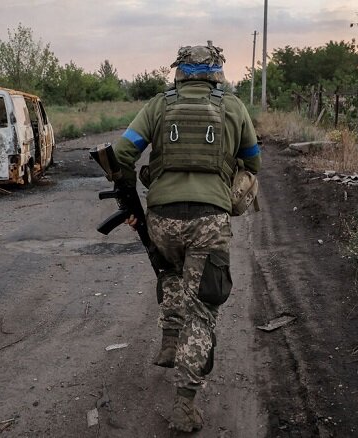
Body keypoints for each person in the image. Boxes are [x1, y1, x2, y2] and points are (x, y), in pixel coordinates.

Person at [111, 41, 261, 432]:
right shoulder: (234, 107)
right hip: (209, 220)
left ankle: (170, 342)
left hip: (162, 219)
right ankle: (184, 404)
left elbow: (121, 153)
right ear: (217, 72)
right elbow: (254, 161)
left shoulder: (158, 106)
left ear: (178, 71)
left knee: (172, 273)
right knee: (204, 309)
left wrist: (131, 199)